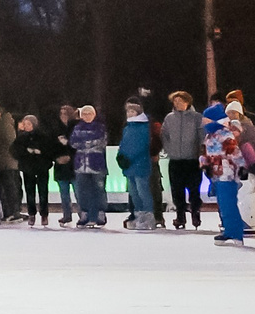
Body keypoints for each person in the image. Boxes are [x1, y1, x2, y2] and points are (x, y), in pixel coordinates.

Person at [205, 99, 248, 246]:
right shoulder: (211, 135)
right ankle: (229, 230)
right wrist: (205, 165)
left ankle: (235, 233)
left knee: (229, 203)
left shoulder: (225, 135)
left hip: (227, 174)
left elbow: (234, 153)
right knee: (223, 204)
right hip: (217, 174)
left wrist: (241, 167)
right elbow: (206, 153)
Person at [161, 91, 204, 230]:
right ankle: (180, 216)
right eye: (175, 101)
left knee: (194, 189)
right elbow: (164, 135)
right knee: (177, 189)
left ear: (188, 102)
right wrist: (169, 150)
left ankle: (195, 212)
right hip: (175, 160)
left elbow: (201, 136)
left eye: (181, 101)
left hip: (192, 160)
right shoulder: (169, 118)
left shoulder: (197, 117)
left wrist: (200, 153)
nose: (178, 104)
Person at [118, 100, 159, 230]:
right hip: (129, 165)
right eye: (128, 111)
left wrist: (128, 157)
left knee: (143, 191)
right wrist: (120, 155)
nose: (129, 113)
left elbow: (141, 145)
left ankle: (148, 216)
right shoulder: (127, 127)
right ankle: (138, 214)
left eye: (132, 111)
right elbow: (124, 144)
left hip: (140, 163)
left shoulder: (144, 127)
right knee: (134, 192)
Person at [69, 105, 109, 226]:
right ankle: (84, 213)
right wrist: (89, 143)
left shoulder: (100, 128)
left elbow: (101, 142)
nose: (87, 116)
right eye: (84, 114)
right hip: (80, 164)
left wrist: (84, 143)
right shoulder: (77, 127)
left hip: (96, 163)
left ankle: (100, 214)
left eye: (89, 114)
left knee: (99, 189)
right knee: (82, 190)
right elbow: (73, 142)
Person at [13, 115, 53, 224]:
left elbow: (50, 149)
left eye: (28, 124)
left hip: (41, 167)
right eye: (25, 124)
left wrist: (41, 152)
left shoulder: (43, 136)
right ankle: (32, 213)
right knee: (29, 192)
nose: (26, 126)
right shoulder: (21, 138)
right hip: (28, 168)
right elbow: (14, 150)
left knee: (43, 191)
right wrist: (26, 152)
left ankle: (44, 214)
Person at [49, 103, 78, 224]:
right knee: (64, 193)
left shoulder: (76, 128)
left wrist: (69, 155)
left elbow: (78, 147)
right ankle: (67, 215)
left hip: (74, 165)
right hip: (60, 166)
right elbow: (51, 147)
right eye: (61, 114)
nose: (63, 116)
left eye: (65, 114)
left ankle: (83, 215)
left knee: (79, 193)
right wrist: (56, 158)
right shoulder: (56, 128)